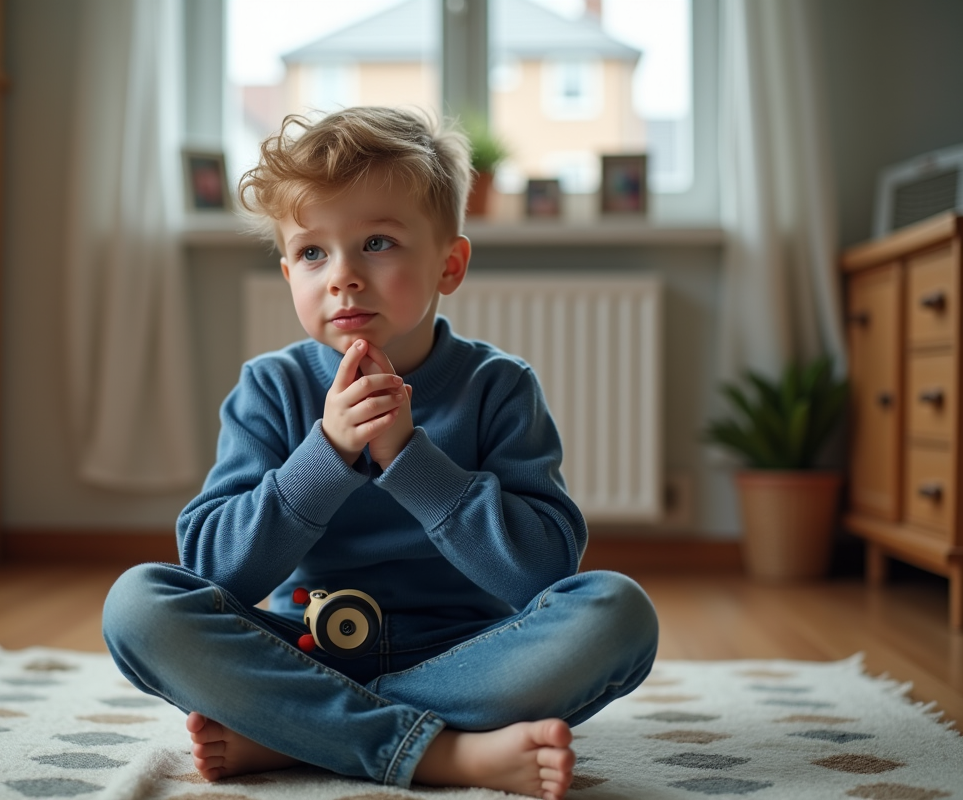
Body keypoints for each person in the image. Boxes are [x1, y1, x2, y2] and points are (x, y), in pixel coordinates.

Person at [102, 107, 658, 800]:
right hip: (300, 650)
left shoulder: (499, 388)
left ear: (449, 264)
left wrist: (408, 459)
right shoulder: (269, 388)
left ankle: (293, 730)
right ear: (287, 273)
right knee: (137, 605)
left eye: (377, 243)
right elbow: (215, 570)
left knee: (619, 611)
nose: (342, 276)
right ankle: (441, 753)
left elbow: (541, 572)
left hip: (468, 660)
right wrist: (327, 453)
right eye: (312, 252)